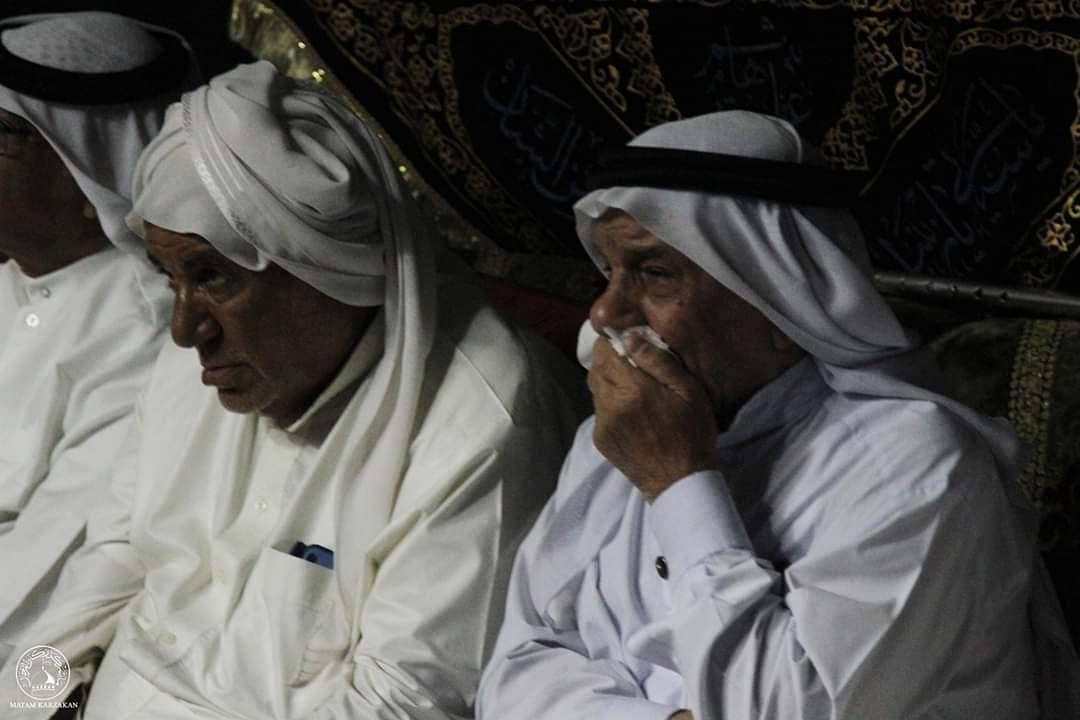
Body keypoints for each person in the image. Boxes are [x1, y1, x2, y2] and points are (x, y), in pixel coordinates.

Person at [0, 61, 582, 718]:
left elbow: (402, 702)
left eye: (213, 277)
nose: (185, 329)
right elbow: (108, 566)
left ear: (326, 269)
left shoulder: (481, 422)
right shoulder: (198, 371)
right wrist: (26, 702)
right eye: (170, 278)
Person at [477, 110, 1080, 720]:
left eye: (655, 274)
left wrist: (677, 481)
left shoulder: (915, 465)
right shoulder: (613, 440)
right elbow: (510, 675)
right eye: (609, 273)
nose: (605, 314)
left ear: (779, 302)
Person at [0, 11, 194, 662]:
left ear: (89, 174)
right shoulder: (11, 280)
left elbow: (43, 570)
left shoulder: (149, 330)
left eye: (2, 136)